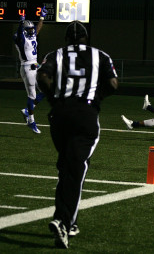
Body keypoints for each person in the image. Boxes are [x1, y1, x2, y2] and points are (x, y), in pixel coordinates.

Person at [37, 20, 118, 249]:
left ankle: (66, 220)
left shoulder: (57, 54)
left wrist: (55, 100)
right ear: (86, 38)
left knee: (66, 166)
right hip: (85, 114)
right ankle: (65, 222)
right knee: (76, 169)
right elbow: (112, 84)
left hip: (60, 114)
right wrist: (94, 101)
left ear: (66, 39)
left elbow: (42, 77)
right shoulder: (100, 55)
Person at [13, 7, 48, 133]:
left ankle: (28, 110)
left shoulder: (31, 35)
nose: (32, 31)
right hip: (27, 67)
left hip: (34, 65)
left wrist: (42, 18)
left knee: (45, 89)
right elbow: (20, 36)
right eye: (29, 29)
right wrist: (20, 24)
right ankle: (31, 121)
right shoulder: (20, 38)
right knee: (32, 95)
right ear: (24, 30)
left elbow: (37, 29)